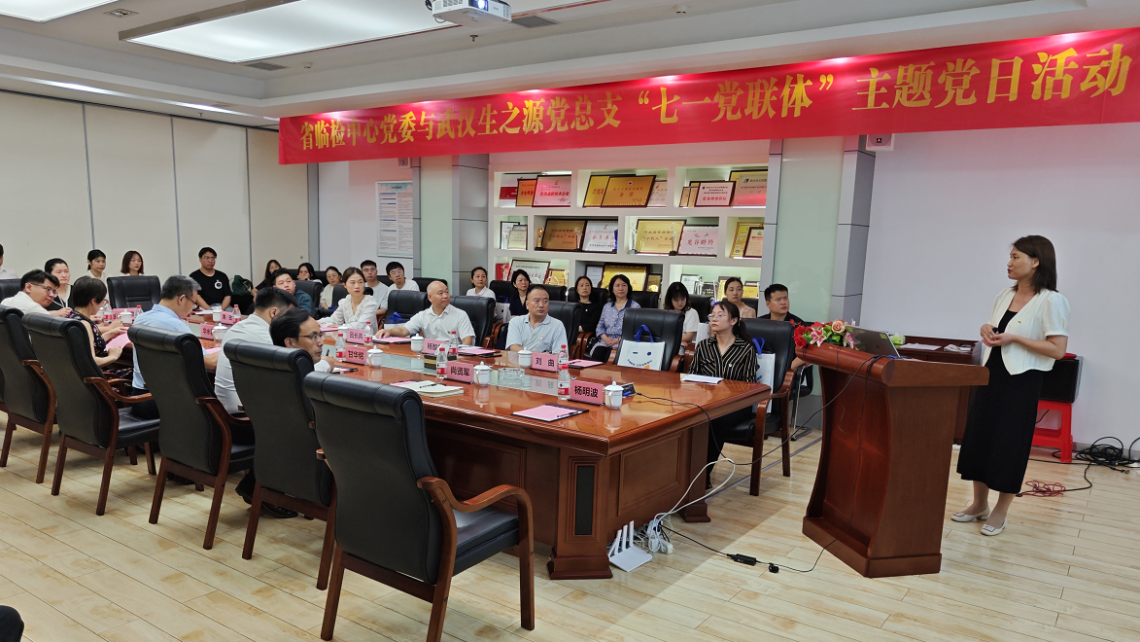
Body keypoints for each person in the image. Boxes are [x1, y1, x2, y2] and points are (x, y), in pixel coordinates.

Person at [954, 236, 1070, 537]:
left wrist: (1015, 338)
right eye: (1011, 256)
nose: (1009, 263)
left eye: (1016, 257)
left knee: (1010, 444)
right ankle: (979, 504)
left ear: (1036, 261)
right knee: (979, 438)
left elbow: (1057, 349)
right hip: (991, 374)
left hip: (1022, 380)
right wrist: (986, 329)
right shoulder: (1004, 294)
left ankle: (1000, 510)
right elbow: (997, 330)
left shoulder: (1051, 300)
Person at [688, 299, 759, 483]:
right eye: (712, 315)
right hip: (706, 402)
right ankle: (683, 475)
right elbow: (692, 378)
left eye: (720, 315)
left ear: (733, 320)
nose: (714, 319)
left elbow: (748, 386)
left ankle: (701, 477)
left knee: (715, 420)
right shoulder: (703, 346)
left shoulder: (746, 349)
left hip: (735, 405)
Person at [131, 275, 220, 420]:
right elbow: (209, 363)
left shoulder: (141, 318)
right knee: (219, 411)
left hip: (139, 397)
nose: (192, 308)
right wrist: (229, 347)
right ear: (182, 299)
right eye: (193, 303)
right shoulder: (175, 325)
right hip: (164, 403)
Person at [214, 287, 298, 415]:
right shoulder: (267, 338)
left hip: (223, 412)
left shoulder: (235, 328)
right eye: (288, 316)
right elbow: (294, 375)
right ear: (274, 312)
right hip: (245, 415)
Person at [376, 281, 475, 344]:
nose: (445, 296)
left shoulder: (460, 315)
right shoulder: (423, 315)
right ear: (430, 297)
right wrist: (389, 331)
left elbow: (467, 341)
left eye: (447, 292)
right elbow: (404, 330)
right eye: (440, 293)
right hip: (429, 355)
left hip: (452, 356)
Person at [66, 276, 127, 369]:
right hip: (96, 375)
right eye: (102, 300)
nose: (102, 303)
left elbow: (87, 344)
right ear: (94, 301)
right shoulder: (84, 324)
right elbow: (91, 361)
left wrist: (110, 333)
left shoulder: (71, 316)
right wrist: (113, 356)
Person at [271, 307, 338, 373]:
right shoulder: (294, 376)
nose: (321, 343)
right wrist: (324, 364)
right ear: (290, 343)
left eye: (320, 335)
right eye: (314, 337)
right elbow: (304, 375)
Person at [506, 284, 569, 354]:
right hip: (519, 360)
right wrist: (538, 355)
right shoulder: (516, 322)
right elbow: (514, 347)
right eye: (537, 301)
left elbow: (560, 354)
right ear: (527, 304)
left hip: (546, 361)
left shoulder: (557, 325)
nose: (541, 305)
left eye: (545, 301)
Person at [759, 283, 808, 370]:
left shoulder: (799, 325)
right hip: (762, 368)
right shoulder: (759, 323)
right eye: (778, 299)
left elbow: (807, 352)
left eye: (785, 298)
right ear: (768, 304)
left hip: (789, 369)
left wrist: (789, 368)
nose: (783, 302)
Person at [595, 274, 640, 355]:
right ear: (612, 289)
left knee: (613, 356)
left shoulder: (635, 307)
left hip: (624, 343)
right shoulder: (607, 307)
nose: (621, 288)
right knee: (598, 354)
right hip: (605, 342)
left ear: (628, 288)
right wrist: (606, 339)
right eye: (617, 285)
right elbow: (600, 327)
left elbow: (636, 330)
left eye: (624, 285)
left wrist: (617, 340)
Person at [189, 247, 232, 312]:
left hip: (222, 307)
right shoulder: (194, 276)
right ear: (200, 259)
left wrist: (221, 310)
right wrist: (211, 311)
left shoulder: (222, 276)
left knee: (235, 315)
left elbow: (227, 296)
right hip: (204, 308)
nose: (210, 261)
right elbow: (197, 296)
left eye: (213, 258)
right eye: (206, 258)